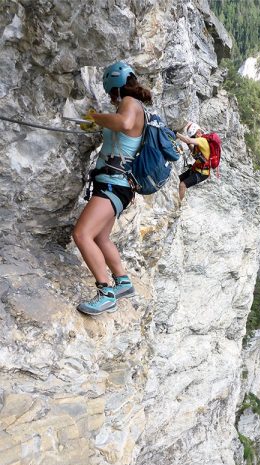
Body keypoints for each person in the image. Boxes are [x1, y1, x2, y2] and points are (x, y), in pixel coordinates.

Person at [72, 61, 149, 315]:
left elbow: (124, 124)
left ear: (115, 87)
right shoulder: (137, 106)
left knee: (82, 235)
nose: (111, 98)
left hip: (114, 185)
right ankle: (123, 282)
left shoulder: (130, 103)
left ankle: (105, 293)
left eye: (110, 93)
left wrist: (96, 117)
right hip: (116, 184)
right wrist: (99, 125)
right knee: (100, 237)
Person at [175, 121, 210, 202]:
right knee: (177, 180)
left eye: (193, 137)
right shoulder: (201, 142)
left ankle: (178, 205)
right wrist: (188, 144)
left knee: (182, 185)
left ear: (198, 132)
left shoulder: (202, 140)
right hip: (196, 169)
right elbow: (195, 154)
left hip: (202, 173)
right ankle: (177, 197)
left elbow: (188, 140)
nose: (194, 139)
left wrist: (176, 133)